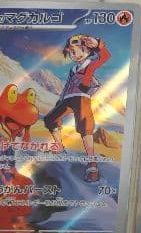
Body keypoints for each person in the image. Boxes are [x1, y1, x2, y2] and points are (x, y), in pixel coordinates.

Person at [44, 34, 110, 182]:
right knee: (50, 119)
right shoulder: (73, 69)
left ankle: (92, 164)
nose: (75, 54)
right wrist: (60, 101)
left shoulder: (89, 64)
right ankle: (59, 147)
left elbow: (105, 57)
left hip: (81, 98)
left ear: (88, 51)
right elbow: (67, 86)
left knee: (85, 126)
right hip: (68, 99)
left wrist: (98, 44)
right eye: (72, 52)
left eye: (81, 50)